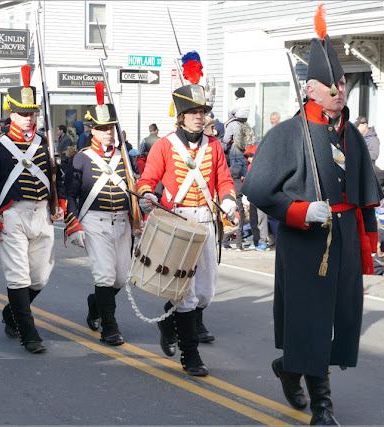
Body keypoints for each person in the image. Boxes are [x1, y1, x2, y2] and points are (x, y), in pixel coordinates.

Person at [242, 7, 382, 424]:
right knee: (311, 320)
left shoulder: (352, 134)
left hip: (342, 238)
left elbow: (364, 196)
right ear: (310, 89)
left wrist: (366, 240)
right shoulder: (287, 132)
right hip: (305, 241)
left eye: (341, 83)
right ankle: (323, 406)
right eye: (330, 85)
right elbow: (259, 190)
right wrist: (300, 210)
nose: (339, 90)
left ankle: (290, 368)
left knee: (339, 317)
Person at [137, 53, 237, 376]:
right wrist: (147, 195)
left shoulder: (215, 146)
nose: (199, 117)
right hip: (177, 222)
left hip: (207, 221)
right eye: (193, 112)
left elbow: (223, 179)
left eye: (202, 111)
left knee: (205, 292)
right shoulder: (164, 146)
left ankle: (169, 323)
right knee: (186, 294)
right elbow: (147, 179)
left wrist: (230, 199)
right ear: (180, 116)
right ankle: (190, 356)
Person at [0, 65, 65, 354]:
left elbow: (57, 180)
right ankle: (28, 332)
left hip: (41, 214)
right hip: (12, 215)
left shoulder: (45, 144)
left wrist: (60, 201)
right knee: (18, 275)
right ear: (12, 113)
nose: (29, 119)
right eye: (23, 113)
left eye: (32, 113)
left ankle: (11, 313)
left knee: (40, 277)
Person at [63, 83, 137, 346]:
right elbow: (68, 195)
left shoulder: (125, 157)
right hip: (94, 220)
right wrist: (73, 226)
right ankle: (110, 327)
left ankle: (96, 304)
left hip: (122, 222)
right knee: (104, 275)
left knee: (120, 277)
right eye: (103, 128)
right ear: (93, 129)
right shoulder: (81, 159)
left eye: (111, 128)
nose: (109, 133)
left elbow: (134, 190)